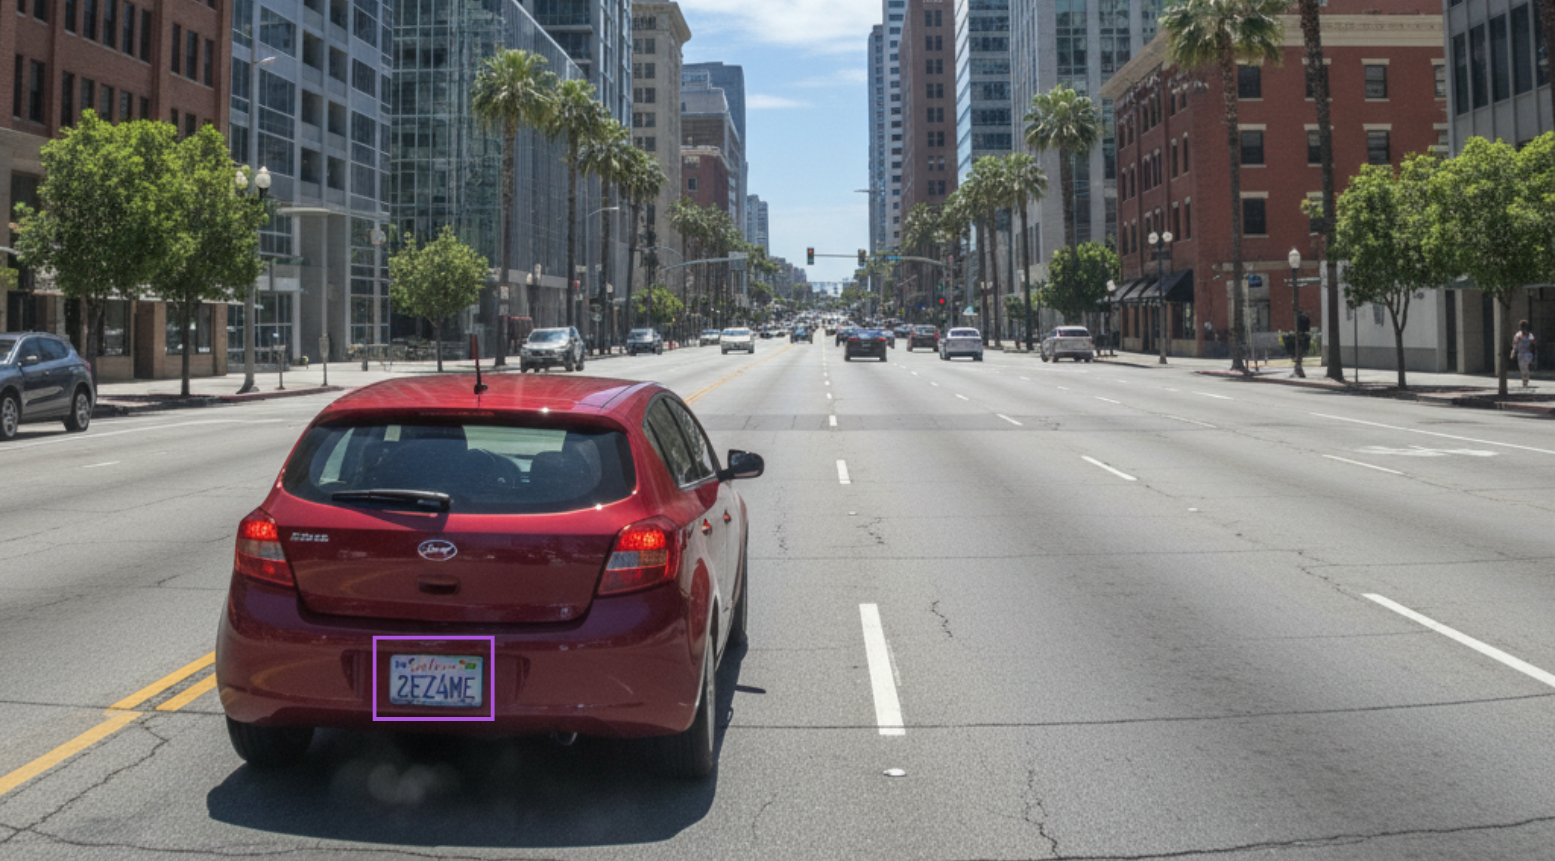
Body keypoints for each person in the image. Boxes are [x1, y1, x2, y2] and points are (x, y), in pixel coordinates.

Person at [1512, 320, 1536, 387]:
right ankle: (1524, 380)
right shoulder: (1518, 335)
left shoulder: (1530, 335)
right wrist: (1514, 351)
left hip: (1527, 353)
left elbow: (1533, 344)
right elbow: (1515, 344)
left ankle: (1526, 379)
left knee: (1525, 367)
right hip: (1521, 353)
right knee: (1522, 368)